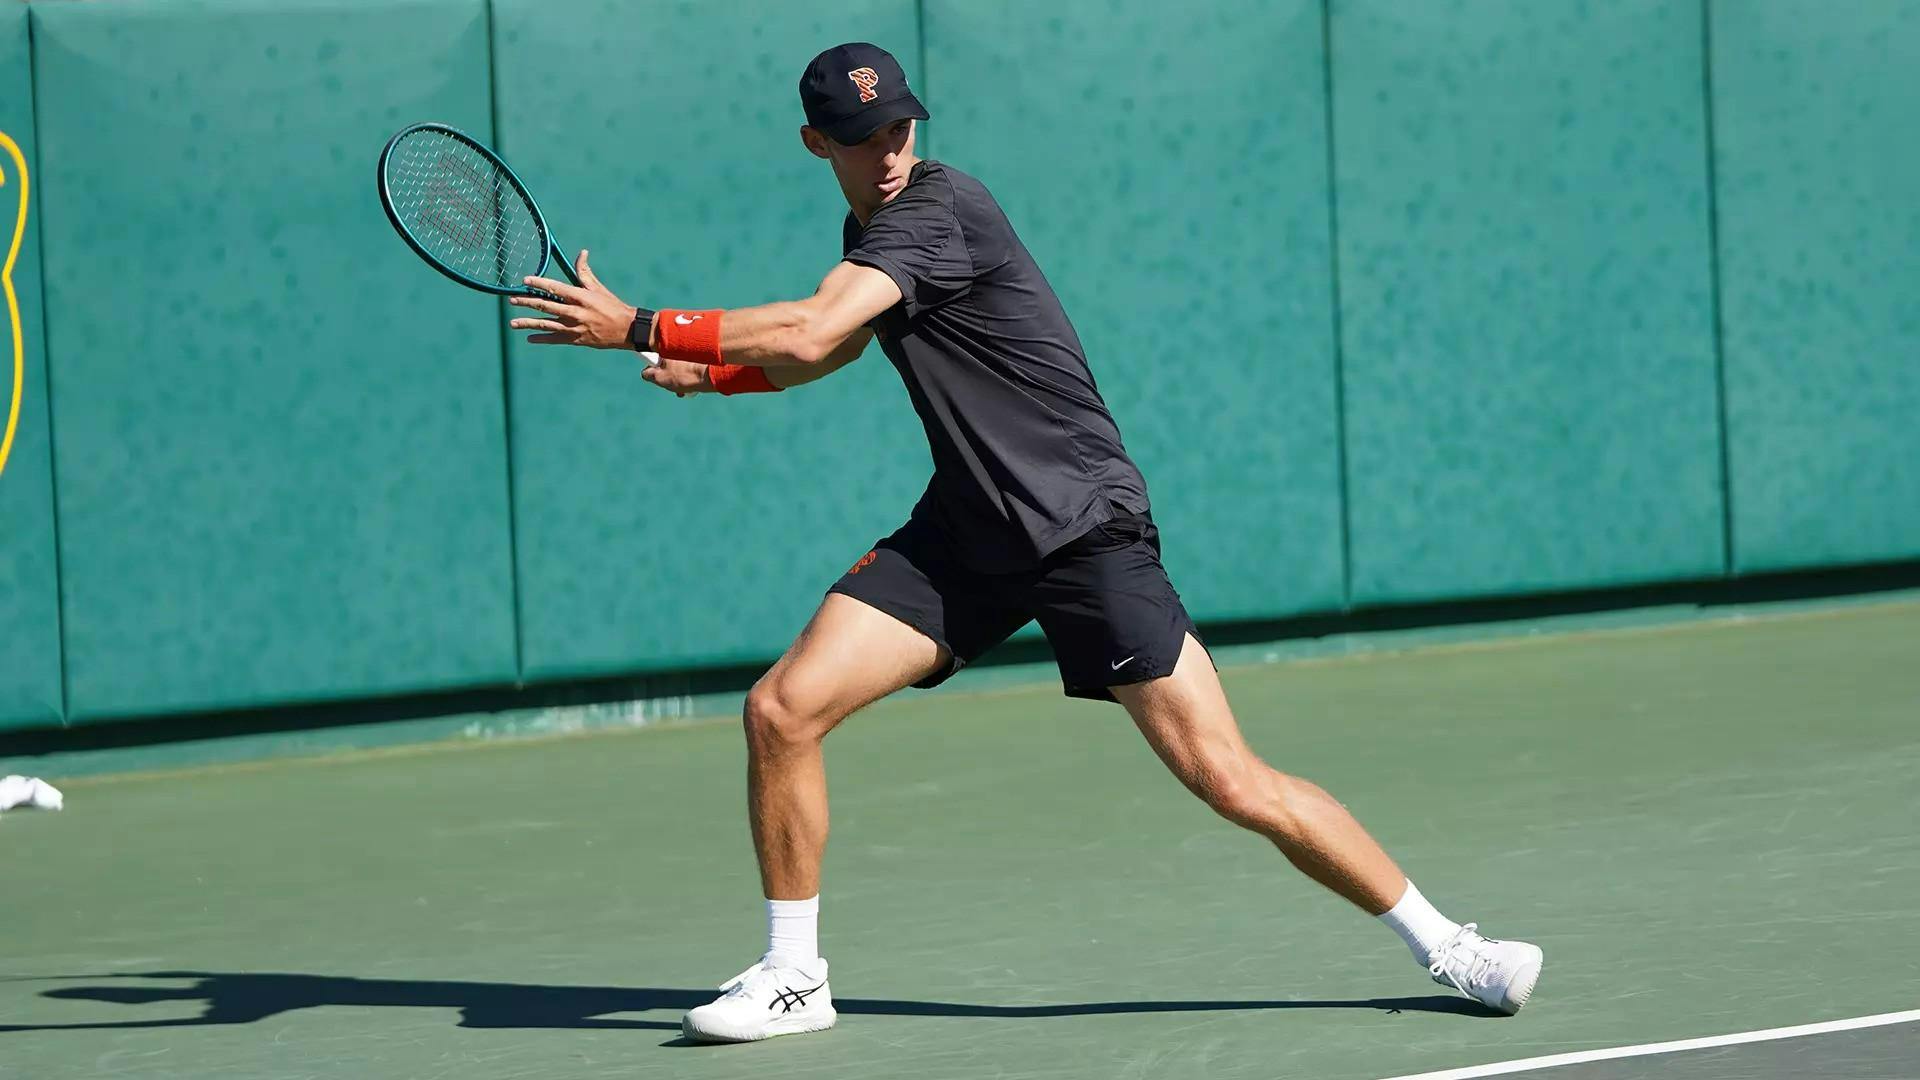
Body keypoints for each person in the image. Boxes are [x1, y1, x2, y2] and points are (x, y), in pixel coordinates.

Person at [506, 41, 1543, 1045]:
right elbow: (837, 343)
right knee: (783, 710)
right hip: (968, 531)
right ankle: (794, 976)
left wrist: (645, 326)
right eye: (864, 136)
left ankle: (1453, 948)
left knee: (1229, 779)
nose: (891, 148)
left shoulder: (939, 209)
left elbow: (818, 329)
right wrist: (718, 374)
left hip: (1084, 527)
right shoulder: (868, 235)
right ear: (817, 144)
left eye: (901, 123)